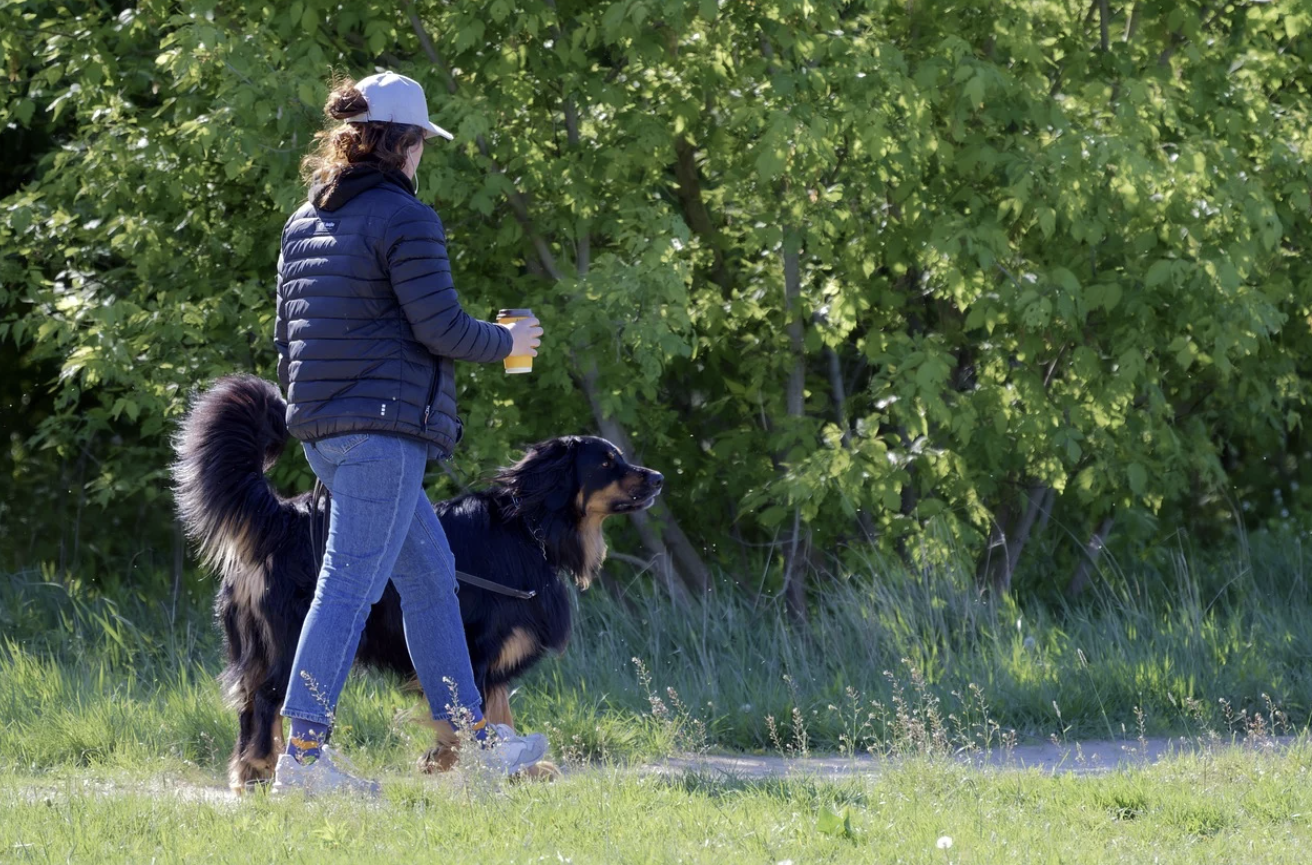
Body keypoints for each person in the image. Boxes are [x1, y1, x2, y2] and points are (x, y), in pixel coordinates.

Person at [270, 72, 546, 796]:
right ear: (398, 142)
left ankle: (478, 739)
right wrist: (509, 341)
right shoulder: (405, 218)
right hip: (382, 433)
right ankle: (302, 755)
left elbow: (285, 339)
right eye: (421, 139)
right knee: (348, 584)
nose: (424, 153)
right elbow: (443, 328)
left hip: (325, 430)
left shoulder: (304, 222)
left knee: (429, 579)